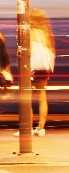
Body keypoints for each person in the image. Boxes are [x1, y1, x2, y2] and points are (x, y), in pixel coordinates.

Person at [29, 8, 56, 136]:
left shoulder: (30, 33)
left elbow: (28, 52)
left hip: (32, 68)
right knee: (42, 97)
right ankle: (40, 128)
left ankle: (27, 127)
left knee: (26, 98)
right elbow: (52, 52)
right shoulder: (46, 34)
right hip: (44, 69)